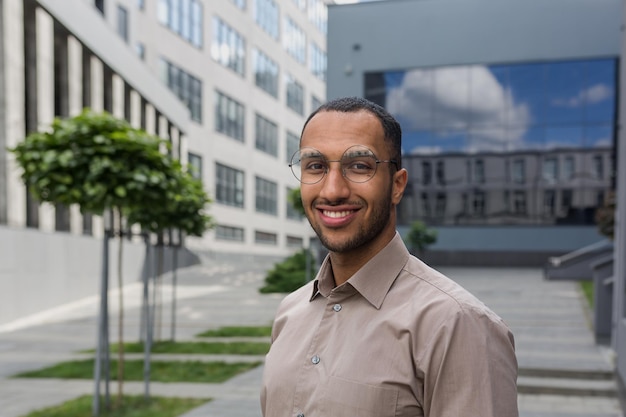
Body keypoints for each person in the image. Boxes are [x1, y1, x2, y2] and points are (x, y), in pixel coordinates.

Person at [260, 97, 518, 417]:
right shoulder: (289, 313)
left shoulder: (458, 325)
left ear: (397, 185)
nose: (332, 190)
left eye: (359, 166)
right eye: (316, 166)